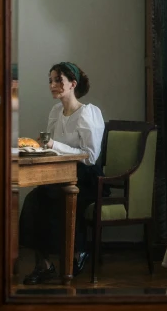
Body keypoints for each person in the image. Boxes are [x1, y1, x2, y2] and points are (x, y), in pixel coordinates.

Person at [18, 62, 107, 284]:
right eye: (50, 80)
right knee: (33, 199)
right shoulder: (56, 111)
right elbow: (51, 145)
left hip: (86, 176)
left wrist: (55, 145)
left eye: (58, 80)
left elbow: (91, 156)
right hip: (61, 173)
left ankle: (76, 254)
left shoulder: (89, 113)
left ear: (72, 84)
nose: (53, 85)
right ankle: (44, 264)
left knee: (56, 199)